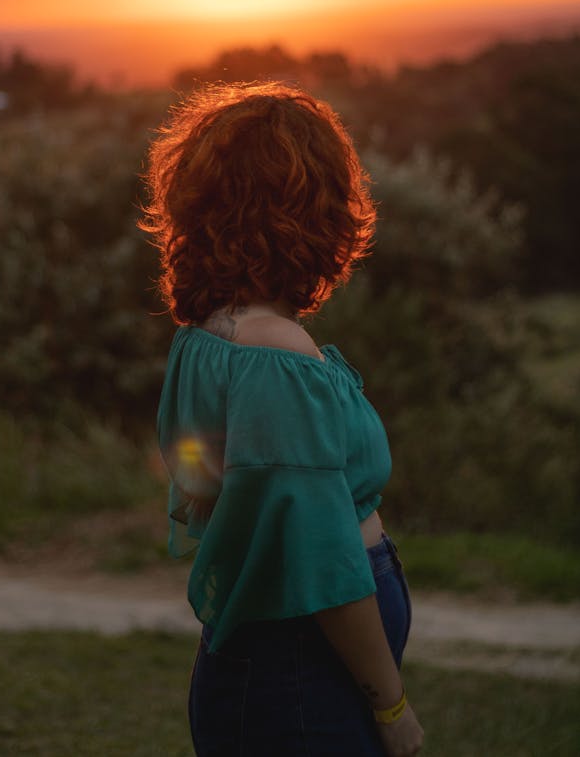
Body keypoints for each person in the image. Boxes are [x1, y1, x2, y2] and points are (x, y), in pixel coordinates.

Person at [140, 81, 424, 757]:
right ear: (313, 209)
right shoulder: (274, 353)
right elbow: (320, 560)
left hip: (269, 660)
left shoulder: (206, 334)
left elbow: (191, 468)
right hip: (299, 670)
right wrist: (393, 708)